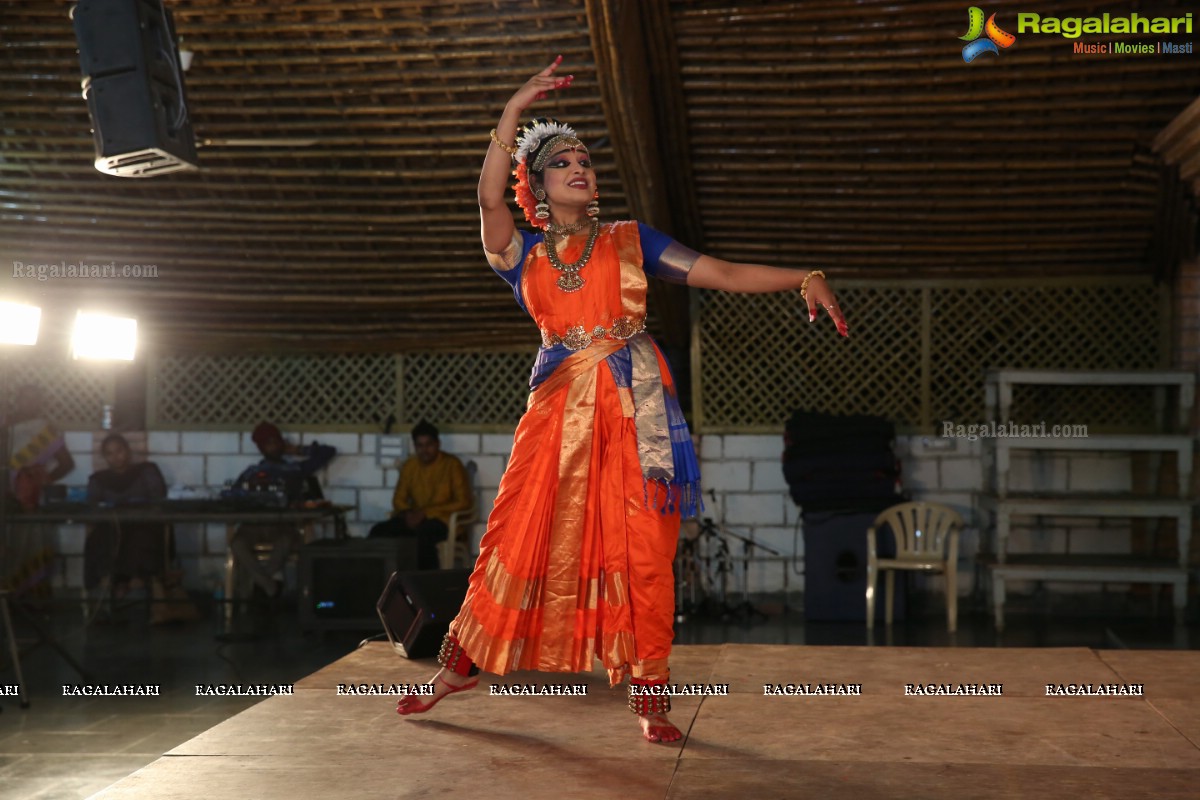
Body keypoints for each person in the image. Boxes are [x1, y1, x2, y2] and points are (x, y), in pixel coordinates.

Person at [395, 57, 848, 744]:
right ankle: (459, 668)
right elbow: (489, 203)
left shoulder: (631, 242)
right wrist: (513, 112)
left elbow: (720, 272)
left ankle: (651, 696)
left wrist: (802, 276)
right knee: (514, 541)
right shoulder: (521, 257)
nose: (582, 167)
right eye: (564, 163)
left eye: (587, 160)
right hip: (554, 420)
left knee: (644, 551)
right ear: (539, 188)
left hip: (635, 412)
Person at [227, 422, 336, 599]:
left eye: (277, 441)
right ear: (261, 448)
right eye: (269, 443)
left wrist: (296, 450)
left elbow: (328, 452)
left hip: (282, 526)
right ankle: (269, 586)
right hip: (252, 526)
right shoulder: (252, 472)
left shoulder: (295, 469)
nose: (274, 446)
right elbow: (233, 496)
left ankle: (260, 585)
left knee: (285, 541)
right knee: (237, 544)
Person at [1, 384, 75, 602]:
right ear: (18, 399)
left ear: (42, 403)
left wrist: (41, 478)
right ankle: (9, 603)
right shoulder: (5, 424)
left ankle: (33, 601)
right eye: (26, 398)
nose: (30, 403)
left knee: (31, 546)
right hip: (3, 497)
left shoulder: (45, 429)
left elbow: (66, 463)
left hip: (29, 501)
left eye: (36, 399)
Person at [368, 421, 471, 570]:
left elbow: (463, 502)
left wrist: (425, 513)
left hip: (442, 520)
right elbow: (398, 499)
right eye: (420, 446)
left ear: (438, 444)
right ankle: (383, 583)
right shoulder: (410, 465)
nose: (425, 450)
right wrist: (408, 514)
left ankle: (425, 586)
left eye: (429, 445)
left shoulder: (452, 465)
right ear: (414, 446)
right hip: (413, 518)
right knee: (378, 532)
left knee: (423, 537)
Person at [84, 433, 169, 599]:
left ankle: (136, 583)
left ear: (128, 451)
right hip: (112, 526)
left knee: (141, 538)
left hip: (142, 524)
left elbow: (158, 497)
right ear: (105, 457)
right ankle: (106, 584)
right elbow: (92, 506)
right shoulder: (99, 479)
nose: (116, 457)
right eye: (109, 453)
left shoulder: (146, 471)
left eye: (119, 451)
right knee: (100, 537)